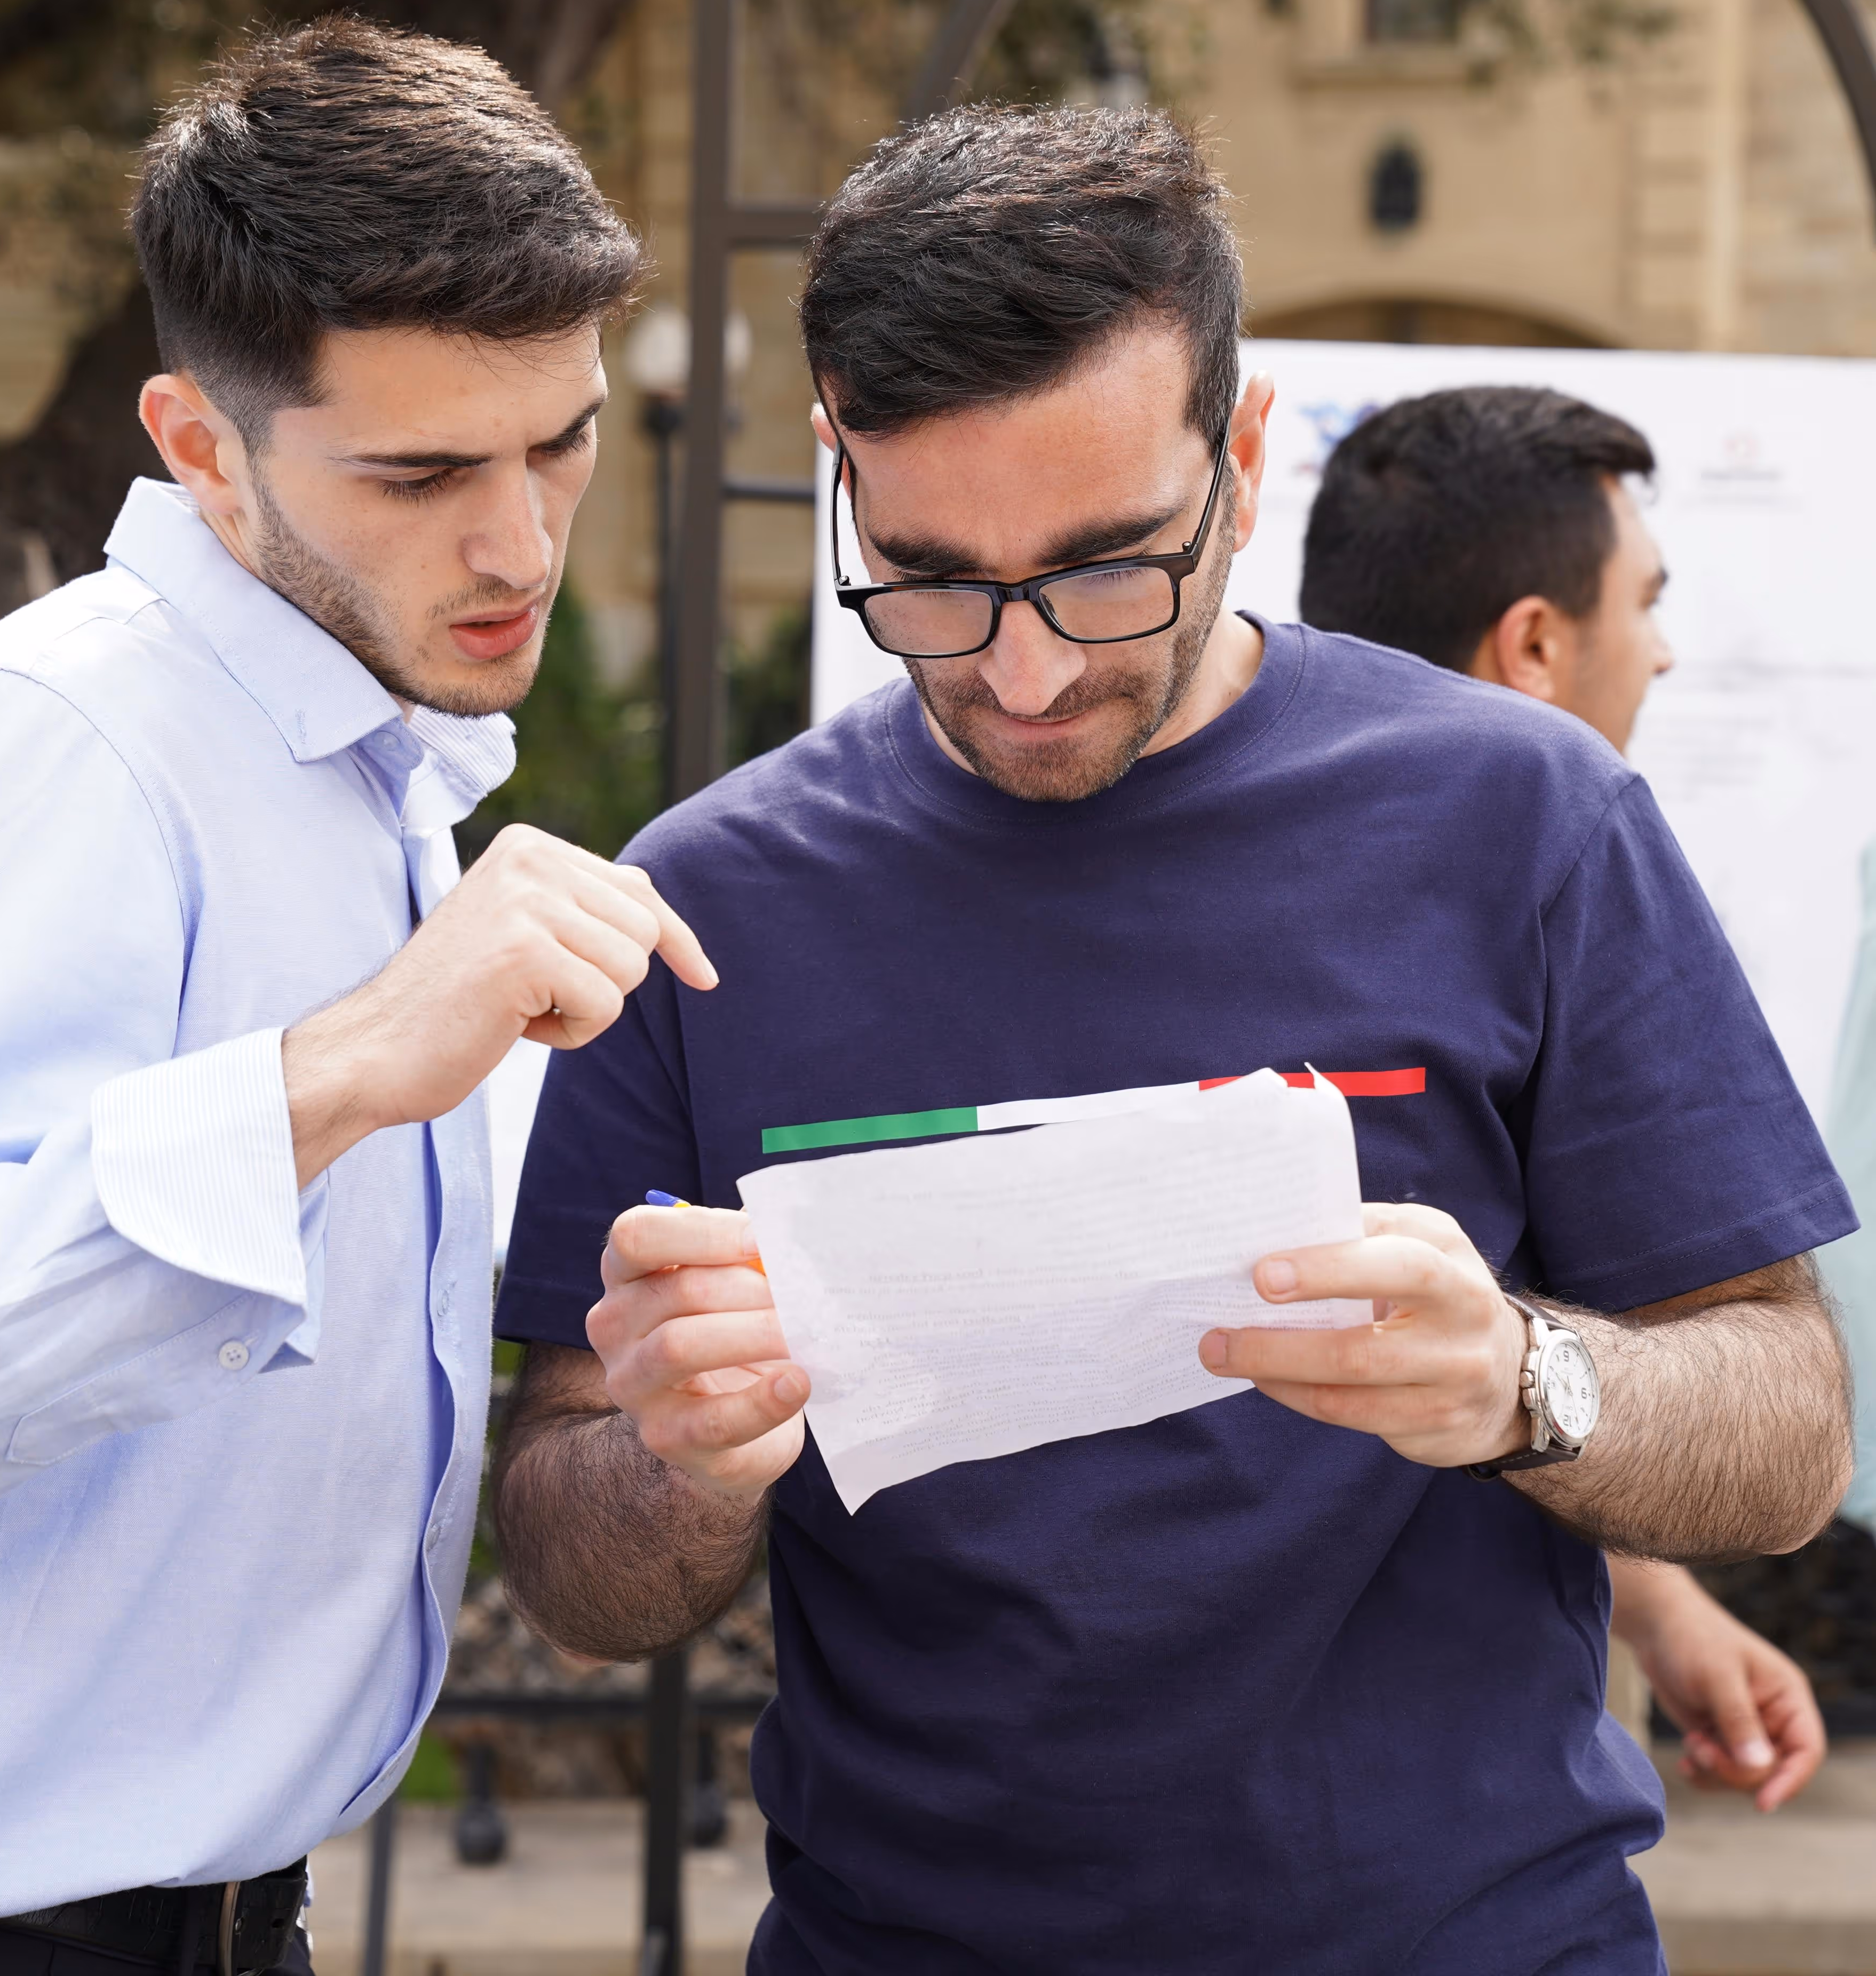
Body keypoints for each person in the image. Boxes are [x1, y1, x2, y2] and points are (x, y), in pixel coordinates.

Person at [490, 106, 1856, 1975]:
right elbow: (572, 1559)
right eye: (931, 577)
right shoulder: (707, 900)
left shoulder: (1527, 821)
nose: (1026, 671)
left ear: (1246, 450)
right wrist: (678, 1466)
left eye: (1109, 567)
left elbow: (1787, 1418)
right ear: (839, 465)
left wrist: (1530, 1385)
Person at [0, 20, 715, 1975]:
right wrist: (342, 1073)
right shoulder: (52, 752)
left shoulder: (379, 772)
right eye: (422, 471)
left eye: (564, 438)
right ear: (202, 448)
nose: (522, 542)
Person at [1300, 383, 1829, 1814]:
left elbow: (1482, 1357)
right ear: (1535, 641)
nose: (1660, 652)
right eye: (1645, 602)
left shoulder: (1543, 875)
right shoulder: (1566, 854)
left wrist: (1655, 1603)